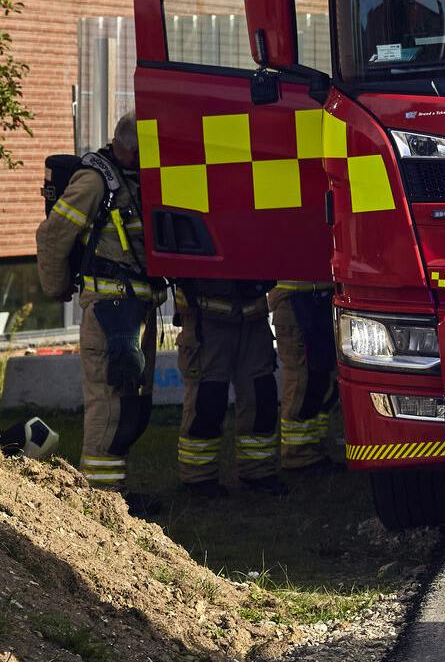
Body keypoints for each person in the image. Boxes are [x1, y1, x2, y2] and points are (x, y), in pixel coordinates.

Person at [35, 113, 160, 504]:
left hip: (137, 308)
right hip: (108, 309)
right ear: (130, 148)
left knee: (128, 401)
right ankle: (98, 502)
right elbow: (53, 235)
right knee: (107, 402)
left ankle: (114, 496)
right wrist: (56, 287)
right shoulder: (94, 181)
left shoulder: (139, 179)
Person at [174, 279, 286, 497]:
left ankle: (258, 472)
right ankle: (198, 478)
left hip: (253, 316)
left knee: (261, 395)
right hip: (205, 316)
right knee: (208, 400)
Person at [269, 280, 337, 471]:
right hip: (295, 301)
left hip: (318, 297)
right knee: (302, 381)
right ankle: (297, 455)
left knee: (319, 379)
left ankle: (312, 449)